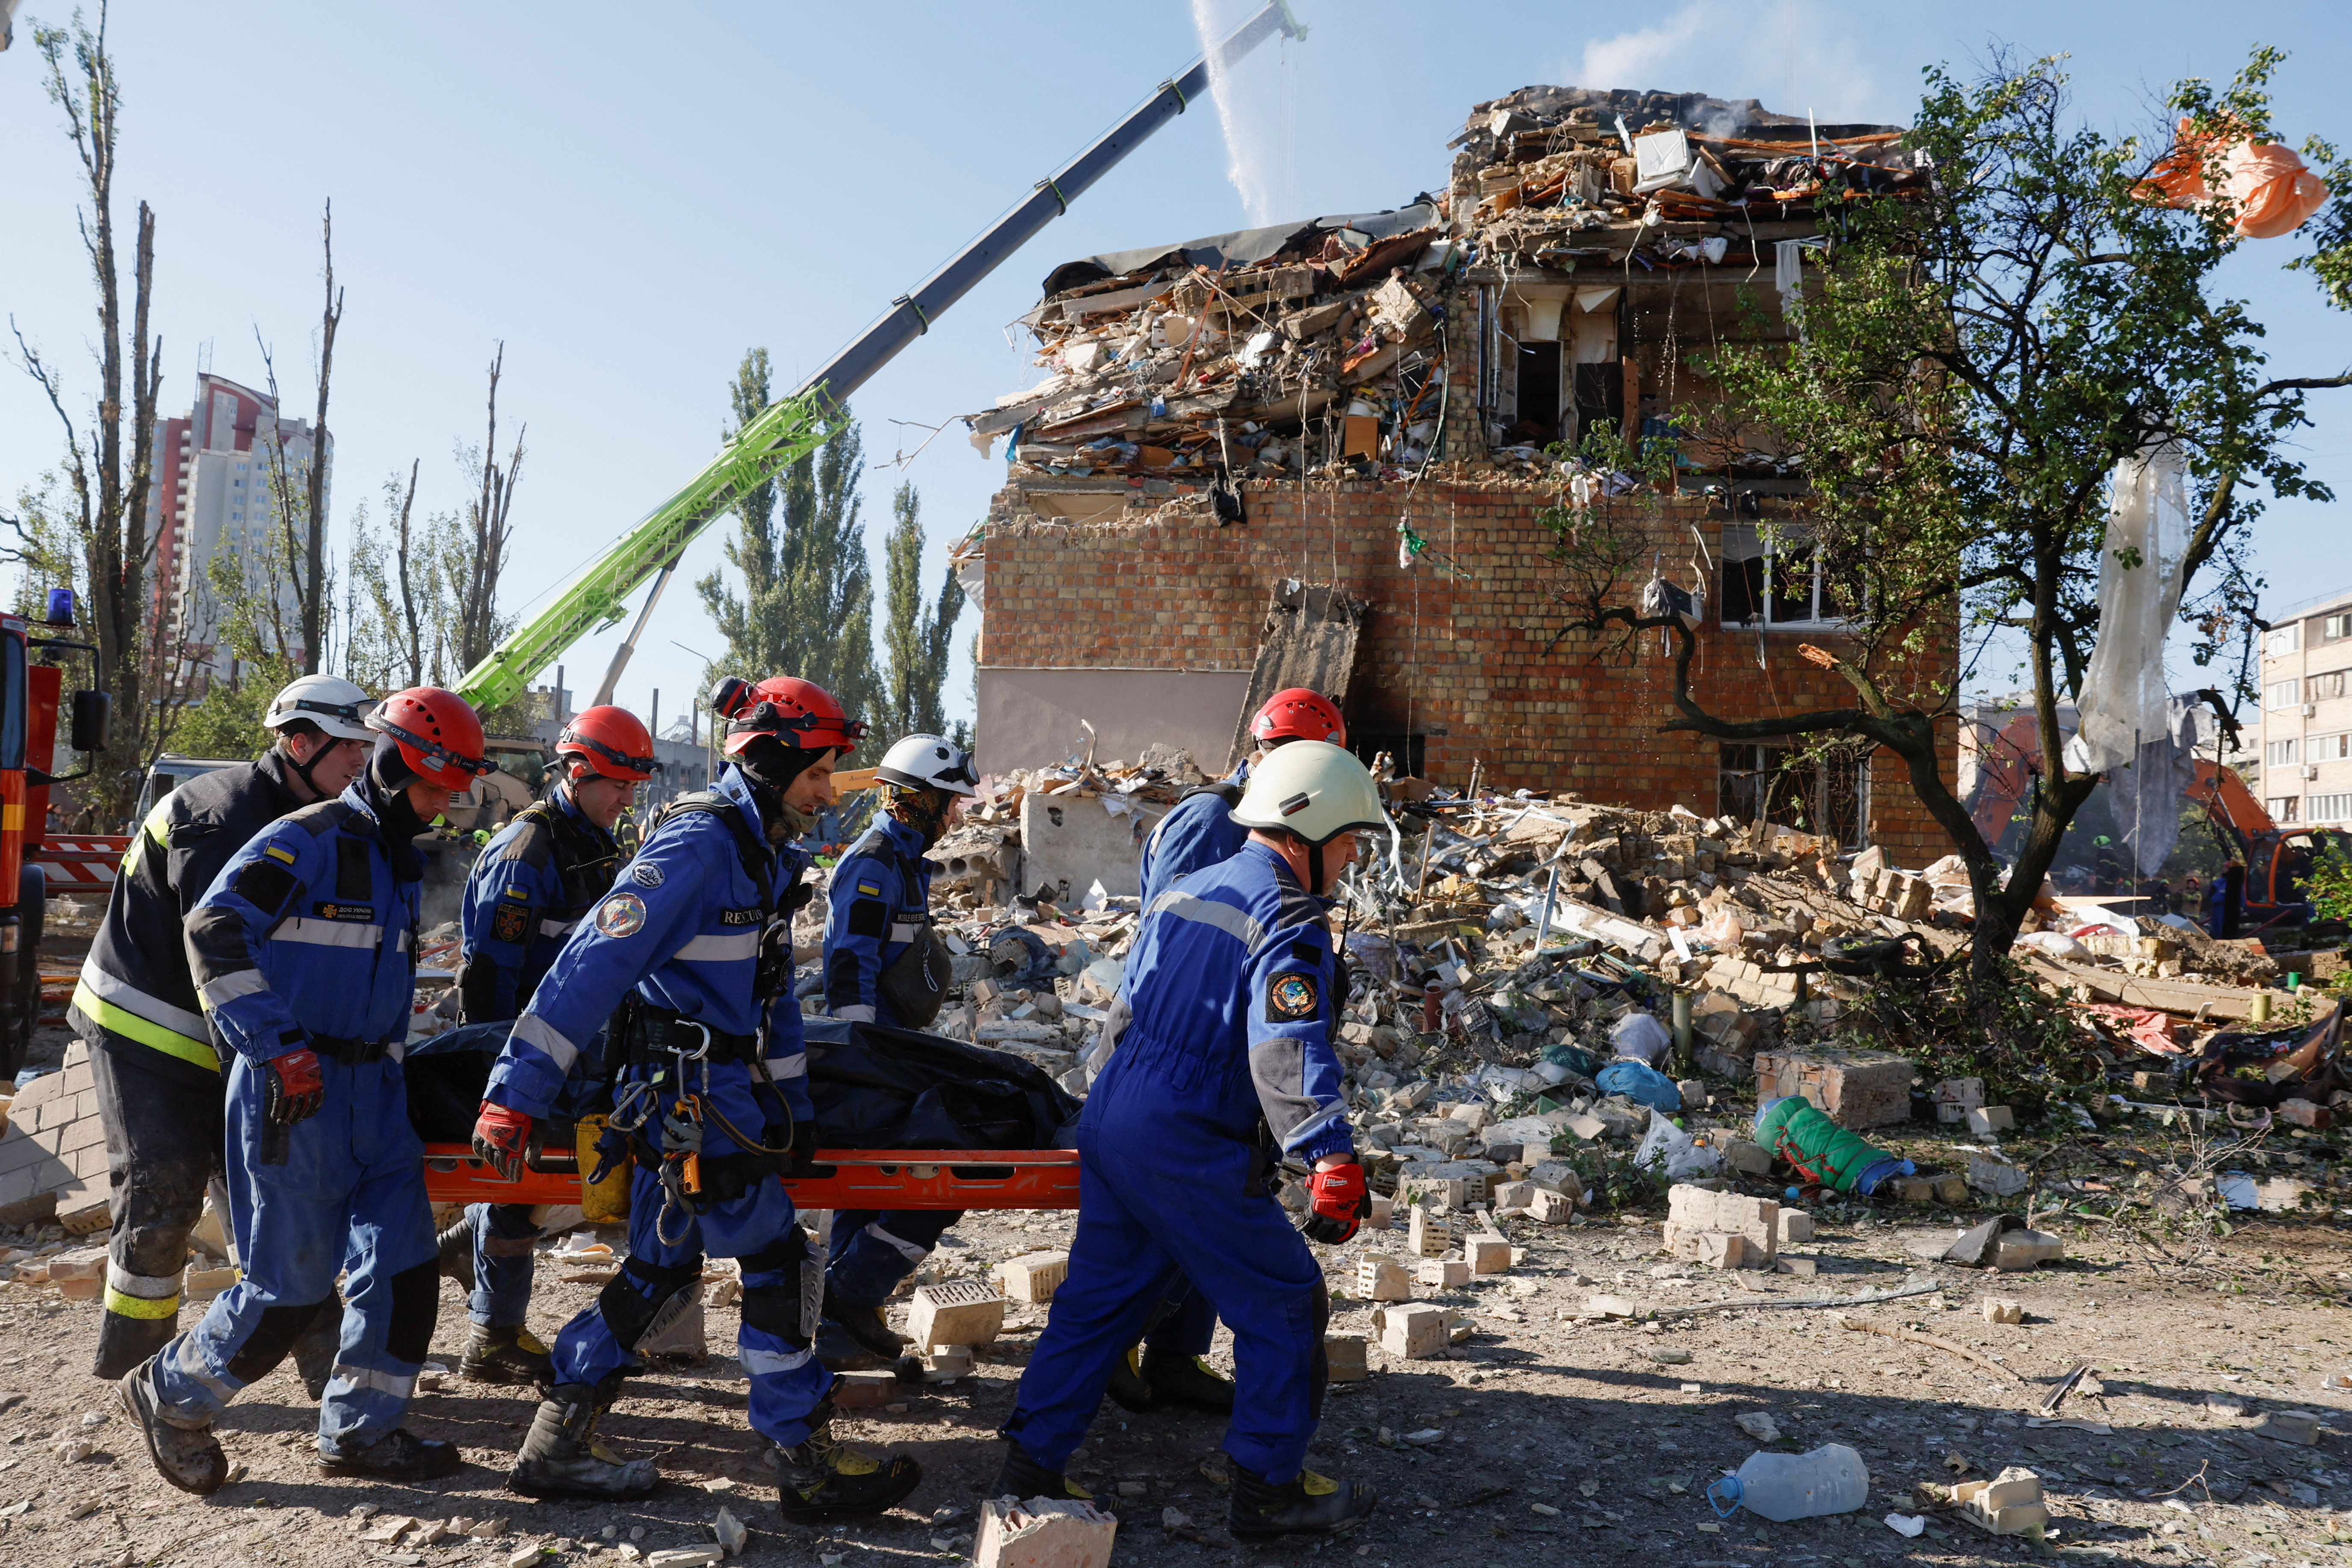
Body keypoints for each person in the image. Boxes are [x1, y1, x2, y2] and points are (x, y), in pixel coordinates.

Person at [472, 676, 923, 1520]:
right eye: (818, 773)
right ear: (769, 760)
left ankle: (558, 1438)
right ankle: (803, 1462)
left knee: (658, 1268)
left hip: (711, 1103)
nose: (828, 792)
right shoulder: (694, 849)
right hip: (687, 1107)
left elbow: (773, 1003)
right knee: (777, 1263)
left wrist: (796, 1117)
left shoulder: (760, 858)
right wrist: (513, 1094)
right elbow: (583, 970)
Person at [994, 740, 1384, 1540]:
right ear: (1303, 832)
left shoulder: (1189, 889)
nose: (1350, 858)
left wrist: (1111, 1114)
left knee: (1101, 1298)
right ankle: (1269, 1491)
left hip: (1120, 1113)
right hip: (1187, 1133)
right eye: (1347, 840)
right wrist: (1328, 1154)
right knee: (1282, 1300)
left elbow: (1122, 1013)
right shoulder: (1287, 915)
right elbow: (1287, 1041)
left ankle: (1032, 1466)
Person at [118, 687, 493, 1494]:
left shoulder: (396, 858)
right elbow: (213, 931)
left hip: (375, 1095)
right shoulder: (306, 839)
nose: (442, 805)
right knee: (287, 1289)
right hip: (297, 1094)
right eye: (432, 786)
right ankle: (169, 1392)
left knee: (402, 1268)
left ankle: (361, 1431)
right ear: (393, 769)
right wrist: (277, 1046)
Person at [72, 674, 373, 1383]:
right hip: (146, 1023)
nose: (360, 763)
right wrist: (273, 1055)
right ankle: (136, 1368)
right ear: (299, 743)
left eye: (366, 747)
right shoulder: (222, 816)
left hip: (234, 1030)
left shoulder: (323, 819)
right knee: (164, 1187)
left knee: (269, 1194)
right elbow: (220, 952)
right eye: (348, 748)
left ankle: (324, 1367)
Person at [1114, 687, 1347, 1416]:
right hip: (1190, 1059)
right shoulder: (1211, 818)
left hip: (1231, 1062)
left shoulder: (1292, 826)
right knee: (1180, 1222)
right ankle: (1120, 1350)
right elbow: (1177, 940)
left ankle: (1178, 1356)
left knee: (1224, 1198)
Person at [438, 706, 654, 1388]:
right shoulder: (526, 853)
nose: (626, 800)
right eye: (618, 785)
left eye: (631, 788)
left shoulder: (595, 839)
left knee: (533, 1192)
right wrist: (509, 1082)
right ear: (579, 771)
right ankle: (493, 1331)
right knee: (518, 1190)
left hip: (582, 1052)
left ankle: (466, 1268)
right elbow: (493, 979)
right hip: (531, 1053)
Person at [816, 733, 977, 1361]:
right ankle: (844, 1307)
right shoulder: (874, 864)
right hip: (873, 1054)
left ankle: (848, 1315)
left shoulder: (905, 862)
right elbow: (849, 967)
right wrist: (868, 1058)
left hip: (894, 1049)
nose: (955, 816)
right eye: (950, 804)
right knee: (904, 1184)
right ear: (918, 801)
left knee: (879, 1187)